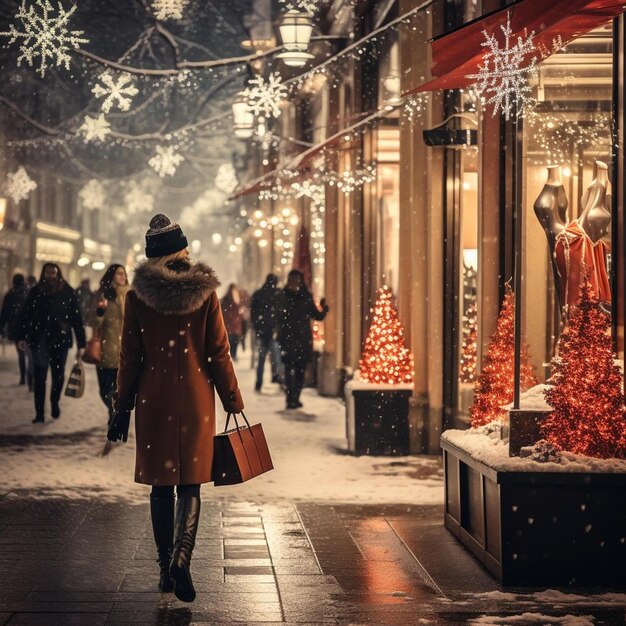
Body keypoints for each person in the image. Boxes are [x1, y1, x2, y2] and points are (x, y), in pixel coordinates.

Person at [106, 214, 244, 603]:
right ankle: (183, 557)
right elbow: (219, 352)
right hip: (196, 399)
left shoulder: (138, 297)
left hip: (155, 399)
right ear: (179, 250)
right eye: (184, 245)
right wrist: (232, 399)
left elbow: (130, 357)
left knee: (161, 487)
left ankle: (164, 565)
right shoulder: (205, 293)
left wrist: (122, 406)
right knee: (190, 483)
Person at [17, 263, 86, 423]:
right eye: (48, 273)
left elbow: (77, 319)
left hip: (60, 339)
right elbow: (26, 315)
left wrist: (81, 343)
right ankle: (39, 413)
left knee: (58, 375)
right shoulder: (36, 292)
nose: (51, 275)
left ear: (58, 273)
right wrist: (21, 336)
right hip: (39, 339)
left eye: (53, 272)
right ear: (43, 274)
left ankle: (54, 401)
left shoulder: (67, 292)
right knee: (39, 377)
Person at [277, 270, 328, 410]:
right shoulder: (289, 296)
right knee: (292, 370)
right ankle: (291, 398)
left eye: (296, 280)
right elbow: (278, 316)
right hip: (294, 339)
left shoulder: (297, 296)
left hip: (299, 339)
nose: (295, 283)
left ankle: (294, 397)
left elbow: (317, 315)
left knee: (298, 370)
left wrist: (323, 309)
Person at [89, 264, 129, 424]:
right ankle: (112, 410)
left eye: (124, 273)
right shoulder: (103, 295)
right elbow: (93, 322)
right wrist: (100, 311)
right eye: (119, 274)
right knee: (105, 391)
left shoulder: (131, 294)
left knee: (120, 390)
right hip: (106, 350)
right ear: (111, 276)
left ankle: (115, 415)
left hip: (125, 350)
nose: (123, 277)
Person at [250, 273, 282, 392]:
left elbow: (253, 313)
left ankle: (259, 382)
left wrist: (257, 327)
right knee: (275, 358)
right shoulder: (277, 294)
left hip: (264, 331)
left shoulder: (259, 294)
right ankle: (274, 377)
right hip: (270, 332)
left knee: (263, 359)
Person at [0, 273, 31, 387]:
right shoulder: (29, 292)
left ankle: (23, 376)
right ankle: (30, 376)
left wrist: (2, 327)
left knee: (21, 353)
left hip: (16, 327)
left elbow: (4, 313)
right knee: (30, 352)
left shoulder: (10, 294)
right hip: (29, 327)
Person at [220, 284, 244, 361]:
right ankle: (233, 355)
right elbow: (237, 311)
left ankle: (231, 355)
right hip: (233, 325)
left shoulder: (224, 300)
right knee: (234, 341)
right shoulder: (235, 299)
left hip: (228, 325)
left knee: (230, 341)